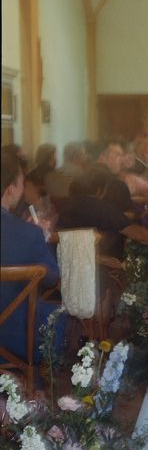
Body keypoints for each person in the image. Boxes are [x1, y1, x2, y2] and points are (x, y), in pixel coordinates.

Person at [1, 151, 63, 365]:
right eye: (20, 183)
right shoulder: (28, 233)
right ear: (10, 189)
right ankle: (34, 379)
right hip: (15, 334)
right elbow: (52, 278)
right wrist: (40, 238)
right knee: (61, 316)